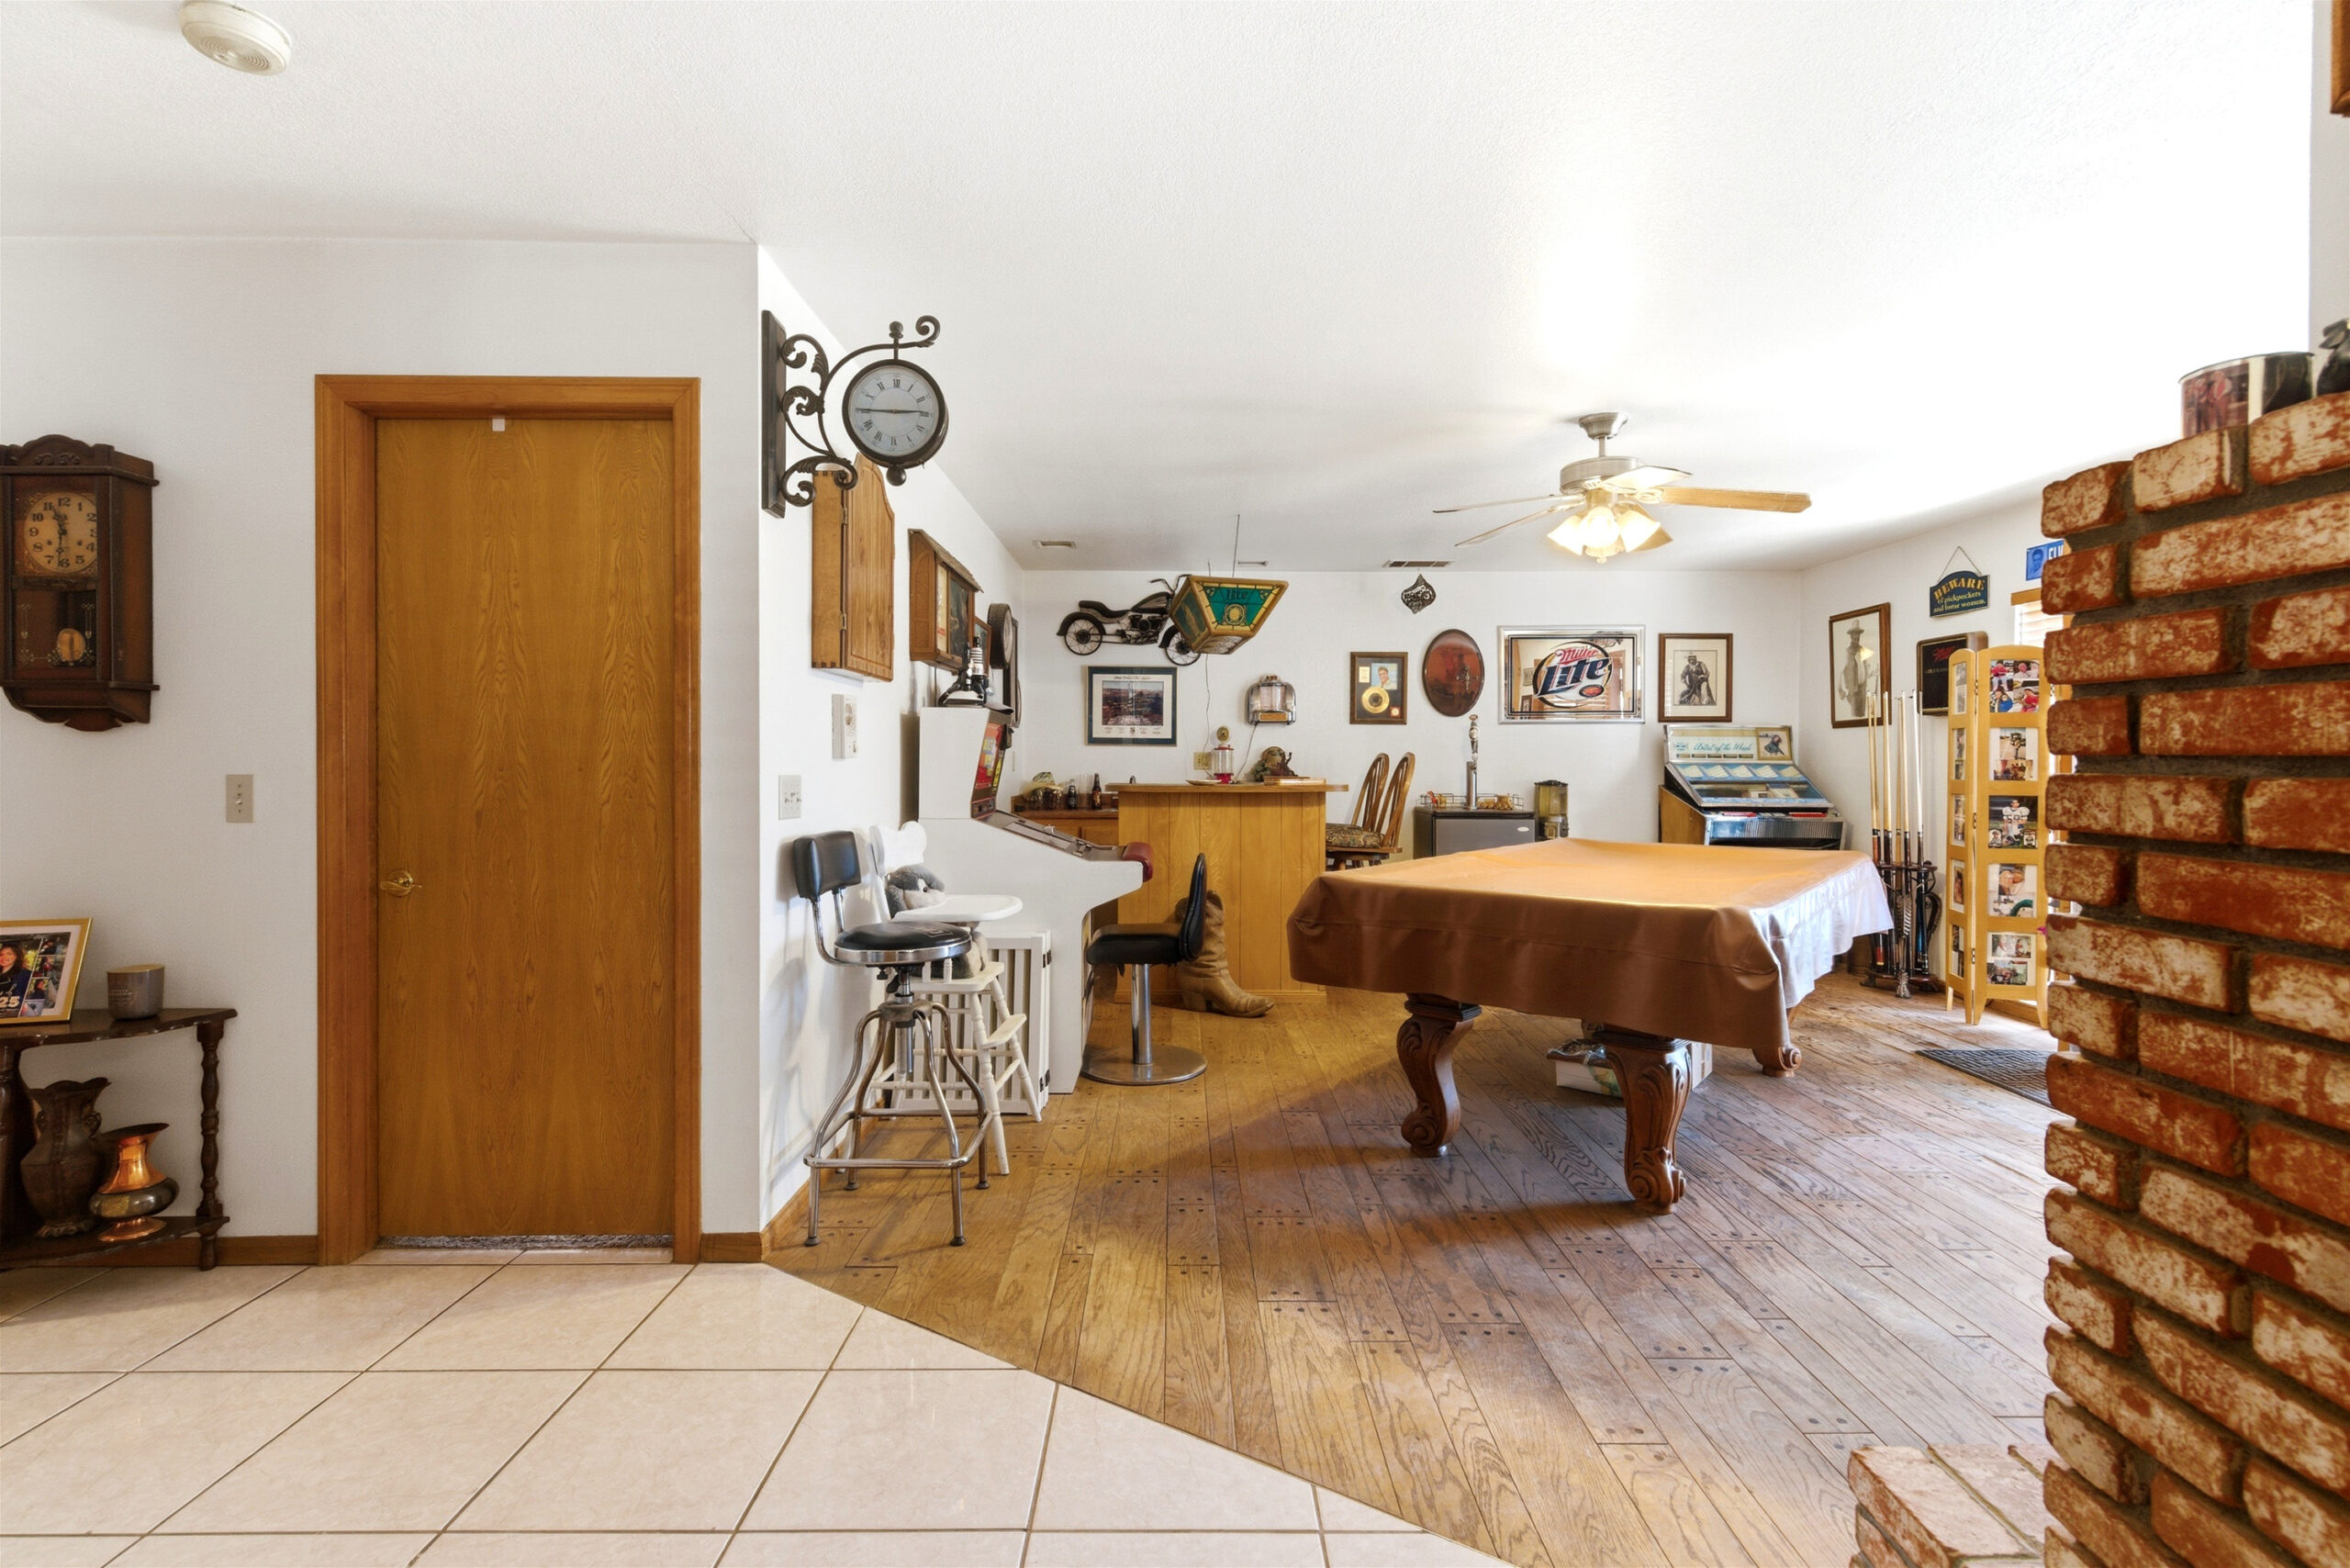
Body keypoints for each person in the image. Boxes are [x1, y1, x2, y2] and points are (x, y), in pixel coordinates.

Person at [0, 941, 32, 1018]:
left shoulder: (25, 975)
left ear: (16, 956)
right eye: (1, 954)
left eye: (9, 954)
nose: (4, 957)